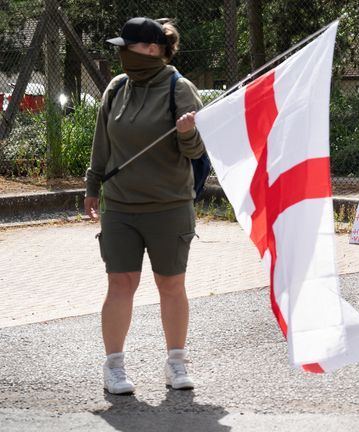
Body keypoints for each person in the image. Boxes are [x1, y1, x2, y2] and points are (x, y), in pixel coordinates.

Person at [84, 17, 205, 395]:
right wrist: (92, 184)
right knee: (120, 284)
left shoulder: (179, 88)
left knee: (171, 285)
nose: (121, 53)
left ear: (152, 49)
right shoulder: (116, 88)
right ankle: (114, 367)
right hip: (119, 205)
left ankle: (176, 362)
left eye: (128, 46)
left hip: (169, 205)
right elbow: (102, 141)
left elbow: (198, 151)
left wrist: (187, 132)